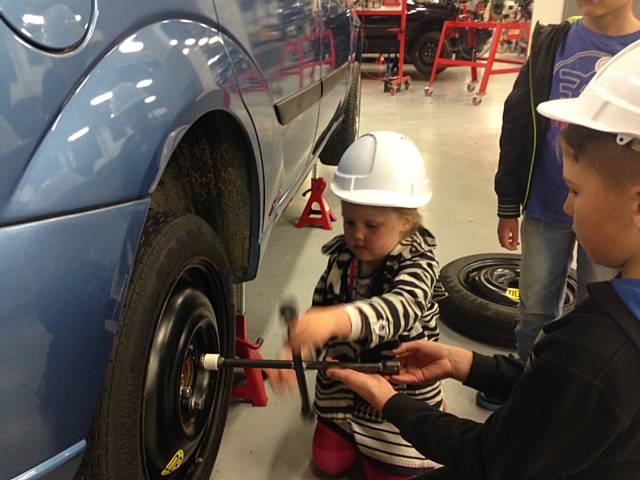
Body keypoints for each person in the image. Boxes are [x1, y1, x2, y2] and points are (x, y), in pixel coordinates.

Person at [327, 39, 640, 479]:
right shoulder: (610, 333)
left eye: (575, 191)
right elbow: (560, 395)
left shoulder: (598, 350)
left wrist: (390, 401)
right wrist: (465, 364)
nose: (567, 209)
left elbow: (489, 459)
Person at [272, 131, 446, 479]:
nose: (357, 235)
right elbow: (319, 312)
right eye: (350, 222)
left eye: (372, 225)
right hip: (341, 393)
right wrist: (300, 347)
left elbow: (399, 310)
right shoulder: (341, 259)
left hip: (396, 398)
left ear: (407, 220)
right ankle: (346, 431)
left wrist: (337, 320)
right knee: (327, 463)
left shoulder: (419, 263)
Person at [495, 0, 640, 360]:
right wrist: (508, 203)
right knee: (534, 309)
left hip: (614, 218)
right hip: (546, 204)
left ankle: (577, 394)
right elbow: (518, 121)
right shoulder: (551, 41)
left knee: (604, 313)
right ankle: (524, 384)